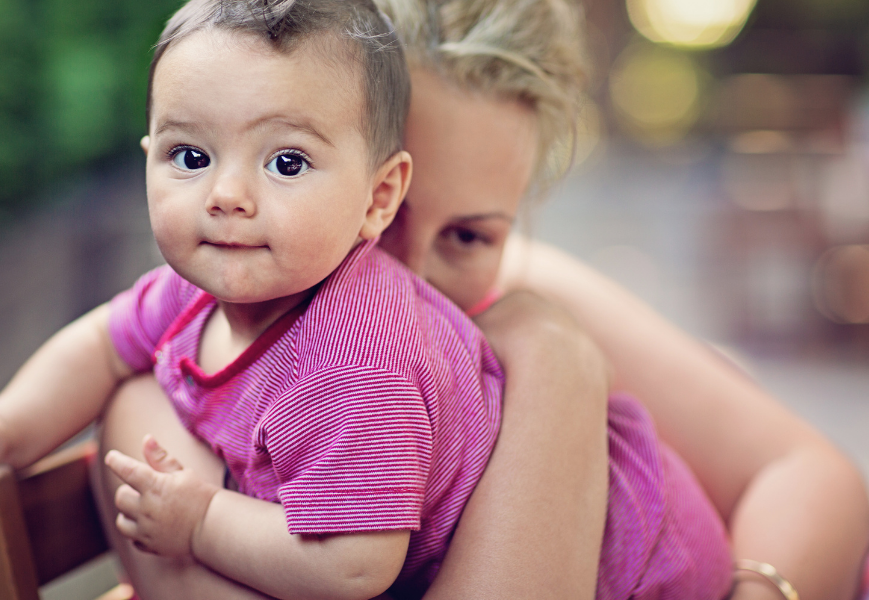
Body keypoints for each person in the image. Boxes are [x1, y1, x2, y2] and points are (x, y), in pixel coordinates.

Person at [93, 0, 869, 599]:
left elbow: (809, 473)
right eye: (384, 223)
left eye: (470, 235)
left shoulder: (528, 308)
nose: (417, 275)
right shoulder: (178, 392)